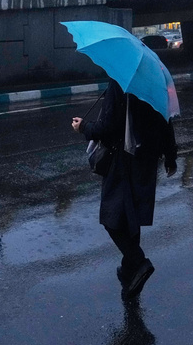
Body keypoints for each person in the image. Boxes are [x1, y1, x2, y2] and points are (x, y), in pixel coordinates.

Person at [72, 79, 177, 300]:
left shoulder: (120, 83)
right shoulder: (154, 83)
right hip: (147, 160)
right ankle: (130, 276)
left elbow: (108, 128)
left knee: (111, 218)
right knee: (131, 216)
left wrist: (83, 127)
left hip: (123, 161)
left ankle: (139, 262)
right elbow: (165, 119)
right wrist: (170, 155)